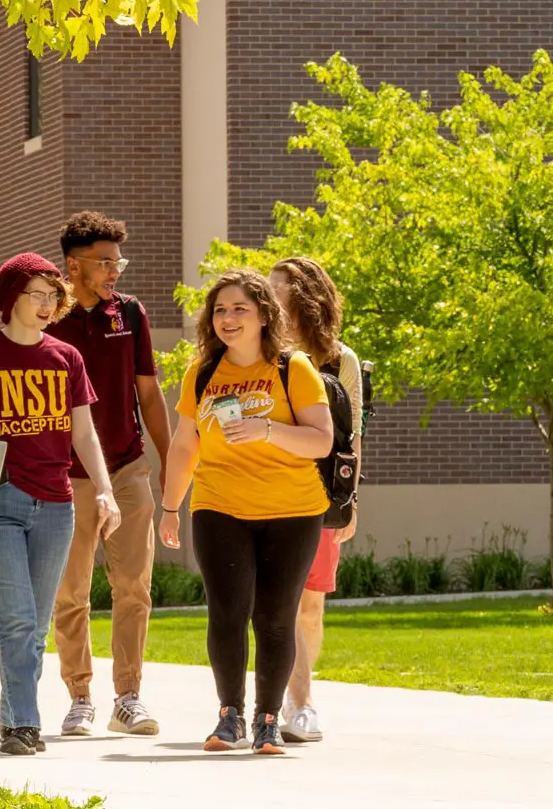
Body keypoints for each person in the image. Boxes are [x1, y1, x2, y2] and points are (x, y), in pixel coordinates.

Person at [0, 252, 121, 756]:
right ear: (10, 298)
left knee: (36, 623)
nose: (46, 305)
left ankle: (10, 713)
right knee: (16, 618)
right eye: (36, 295)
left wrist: (104, 488)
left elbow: (83, 433)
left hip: (57, 504)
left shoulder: (66, 358)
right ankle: (25, 722)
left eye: (52, 296)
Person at [159, 268, 334, 755]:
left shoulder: (292, 368)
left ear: (263, 316)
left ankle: (269, 720)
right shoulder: (203, 373)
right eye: (220, 309)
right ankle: (229, 716)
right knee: (227, 612)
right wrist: (170, 506)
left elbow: (322, 441)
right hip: (220, 506)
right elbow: (182, 446)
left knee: (275, 617)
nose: (228, 318)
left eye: (240, 309)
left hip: (293, 510)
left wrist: (267, 430)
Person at [46, 211, 172, 737]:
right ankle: (79, 696)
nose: (115, 270)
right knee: (71, 591)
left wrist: (173, 466)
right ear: (73, 266)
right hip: (66, 474)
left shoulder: (132, 314)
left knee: (133, 586)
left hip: (127, 465)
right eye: (105, 262)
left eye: (119, 260)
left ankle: (129, 697)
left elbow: (148, 392)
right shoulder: (47, 317)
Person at [269, 257, 363, 743]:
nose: (268, 296)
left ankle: (295, 694)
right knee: (282, 601)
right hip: (268, 492)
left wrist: (349, 500)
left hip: (321, 494)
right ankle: (300, 702)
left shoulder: (340, 360)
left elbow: (353, 436)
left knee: (310, 605)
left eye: (276, 289)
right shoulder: (261, 353)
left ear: (303, 297)